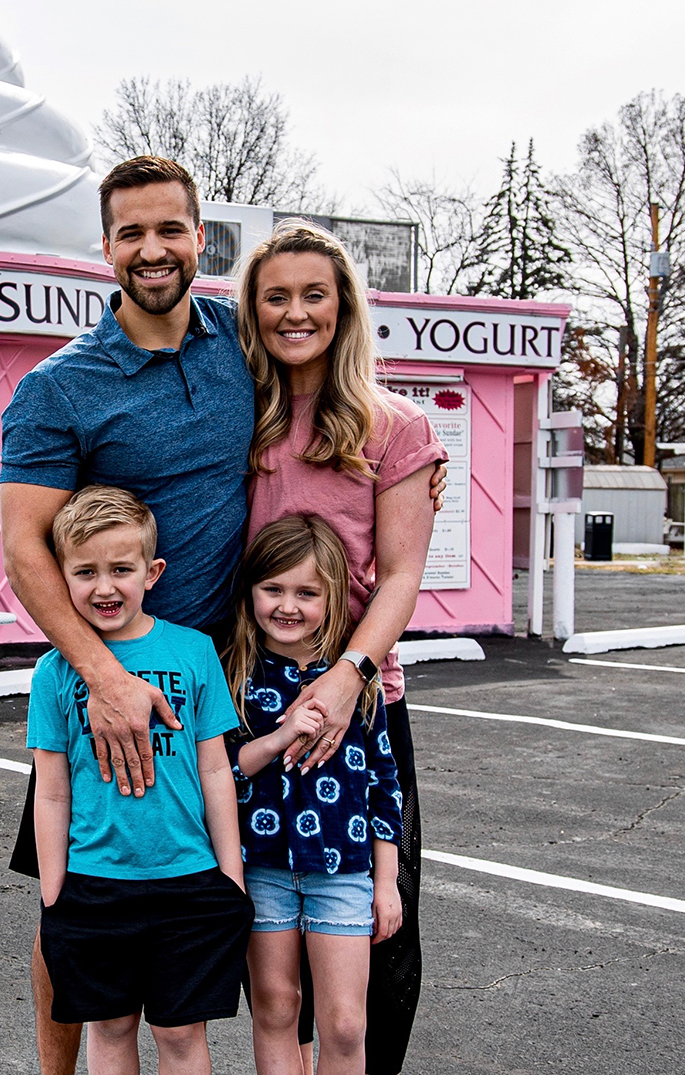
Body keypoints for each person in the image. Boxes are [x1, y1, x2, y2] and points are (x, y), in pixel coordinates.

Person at [1, 156, 444, 1074]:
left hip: (265, 687)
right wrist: (105, 676)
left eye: (172, 230)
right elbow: (26, 551)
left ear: (202, 239)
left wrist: (408, 451)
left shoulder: (235, 345)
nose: (153, 249)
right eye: (132, 233)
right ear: (107, 246)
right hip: (124, 685)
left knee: (354, 946)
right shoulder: (58, 388)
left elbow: (320, 347)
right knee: (80, 916)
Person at [236, 219, 443, 1074]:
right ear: (252, 309)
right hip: (250, 702)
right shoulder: (239, 417)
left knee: (377, 952)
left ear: (345, 304)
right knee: (275, 976)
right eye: (275, 295)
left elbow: (399, 576)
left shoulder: (394, 427)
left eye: (313, 293)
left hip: (363, 707)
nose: (295, 312)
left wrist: (351, 676)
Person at [29, 485, 253, 1075]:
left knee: (180, 1035)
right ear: (62, 577)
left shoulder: (196, 651)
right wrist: (55, 890)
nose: (105, 588)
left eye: (121, 569)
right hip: (95, 884)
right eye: (86, 572)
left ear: (151, 572)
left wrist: (230, 876)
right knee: (111, 1027)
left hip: (190, 880)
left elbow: (214, 770)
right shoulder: (55, 670)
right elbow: (51, 789)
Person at [222, 514, 404, 1075]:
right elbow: (225, 769)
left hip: (344, 874)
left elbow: (383, 787)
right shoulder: (236, 673)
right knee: (277, 1008)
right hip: (263, 870)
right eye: (272, 589)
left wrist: (387, 882)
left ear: (333, 597)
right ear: (250, 590)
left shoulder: (354, 683)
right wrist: (280, 735)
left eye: (307, 592)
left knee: (346, 1024)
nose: (287, 606)